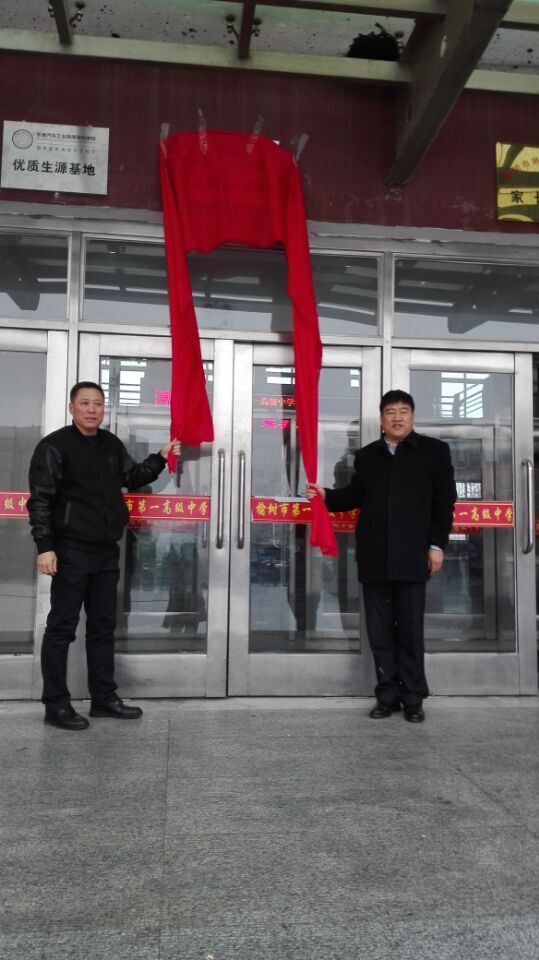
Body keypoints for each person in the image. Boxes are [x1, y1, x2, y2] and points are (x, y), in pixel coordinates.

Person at [27, 381, 181, 731]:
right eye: (84, 403)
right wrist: (45, 546)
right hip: (70, 550)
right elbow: (40, 500)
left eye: (97, 404)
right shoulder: (54, 446)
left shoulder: (110, 444)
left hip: (106, 552)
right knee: (62, 628)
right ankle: (56, 704)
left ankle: (104, 699)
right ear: (72, 408)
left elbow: (132, 477)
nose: (92, 410)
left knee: (102, 627)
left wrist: (160, 457)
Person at [307, 390, 456, 723]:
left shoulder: (433, 452)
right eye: (391, 412)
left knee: (410, 629)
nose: (397, 417)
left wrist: (436, 545)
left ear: (412, 417)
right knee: (379, 631)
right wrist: (325, 495)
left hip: (413, 554)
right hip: (374, 554)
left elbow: (444, 503)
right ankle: (386, 695)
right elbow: (355, 495)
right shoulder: (368, 456)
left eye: (403, 411)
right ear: (381, 419)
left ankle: (413, 697)